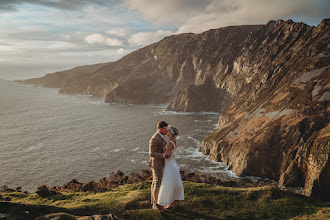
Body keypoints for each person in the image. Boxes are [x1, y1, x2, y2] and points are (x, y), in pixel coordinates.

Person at [157, 125, 184, 210]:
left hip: (170, 166)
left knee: (169, 184)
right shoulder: (174, 141)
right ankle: (173, 203)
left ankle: (169, 204)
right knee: (173, 184)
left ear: (170, 133)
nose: (166, 132)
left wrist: (162, 148)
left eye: (168, 131)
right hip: (173, 164)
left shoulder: (169, 143)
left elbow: (167, 155)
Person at [149, 121, 171, 210]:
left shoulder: (162, 137)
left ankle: (154, 201)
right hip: (156, 165)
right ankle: (156, 205)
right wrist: (163, 155)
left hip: (160, 164)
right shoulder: (154, 139)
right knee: (157, 183)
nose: (167, 130)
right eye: (165, 129)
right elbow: (151, 153)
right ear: (160, 129)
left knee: (155, 183)